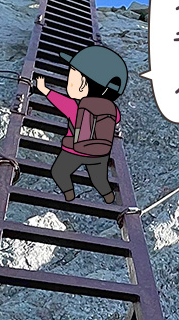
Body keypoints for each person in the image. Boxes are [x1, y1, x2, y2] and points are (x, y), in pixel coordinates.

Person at [34, 45, 127, 204]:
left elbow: (60, 101)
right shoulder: (113, 108)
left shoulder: (76, 106)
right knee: (99, 179)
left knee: (59, 172)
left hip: (74, 150)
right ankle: (109, 196)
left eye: (72, 76)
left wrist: (43, 89)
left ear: (83, 84)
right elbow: (116, 120)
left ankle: (69, 196)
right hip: (100, 152)